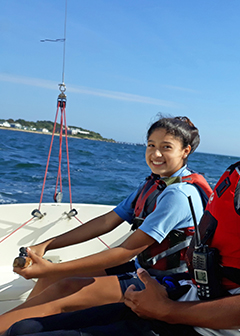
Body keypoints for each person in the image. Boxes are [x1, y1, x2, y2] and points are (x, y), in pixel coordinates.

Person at [4, 78, 240, 336]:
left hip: (188, 313)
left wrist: (170, 310)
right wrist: (47, 245)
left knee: (49, 303)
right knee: (28, 324)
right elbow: (109, 220)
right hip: (174, 296)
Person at [1, 116, 211, 333]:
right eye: (151, 145)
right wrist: (45, 245)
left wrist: (51, 267)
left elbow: (124, 252)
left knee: (64, 288)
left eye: (166, 147)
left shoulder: (178, 194)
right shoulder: (154, 184)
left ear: (185, 151)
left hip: (167, 283)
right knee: (52, 278)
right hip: (142, 268)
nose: (156, 154)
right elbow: (106, 221)